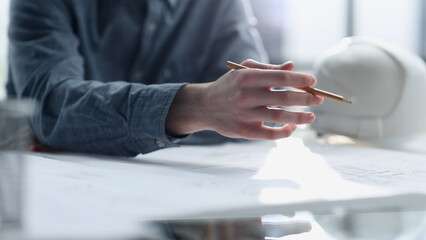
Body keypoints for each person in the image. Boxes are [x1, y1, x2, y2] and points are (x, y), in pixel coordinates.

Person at [7, 0, 323, 157]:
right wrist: (198, 107)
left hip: (188, 202)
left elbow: (247, 118)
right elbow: (48, 107)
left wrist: (245, 103)